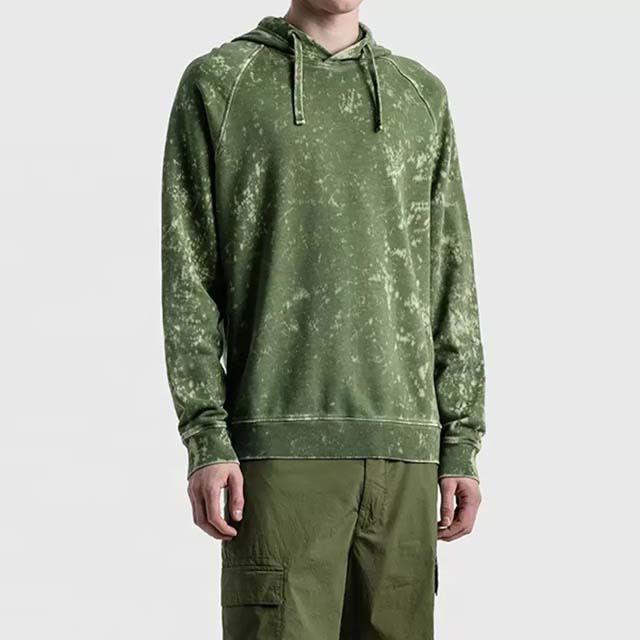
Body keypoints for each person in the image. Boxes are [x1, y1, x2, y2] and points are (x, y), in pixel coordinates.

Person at [161, 1, 486, 637]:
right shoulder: (221, 83)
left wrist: (460, 443)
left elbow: (449, 274)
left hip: (405, 456)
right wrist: (205, 436)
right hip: (278, 453)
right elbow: (189, 277)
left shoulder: (419, 95)